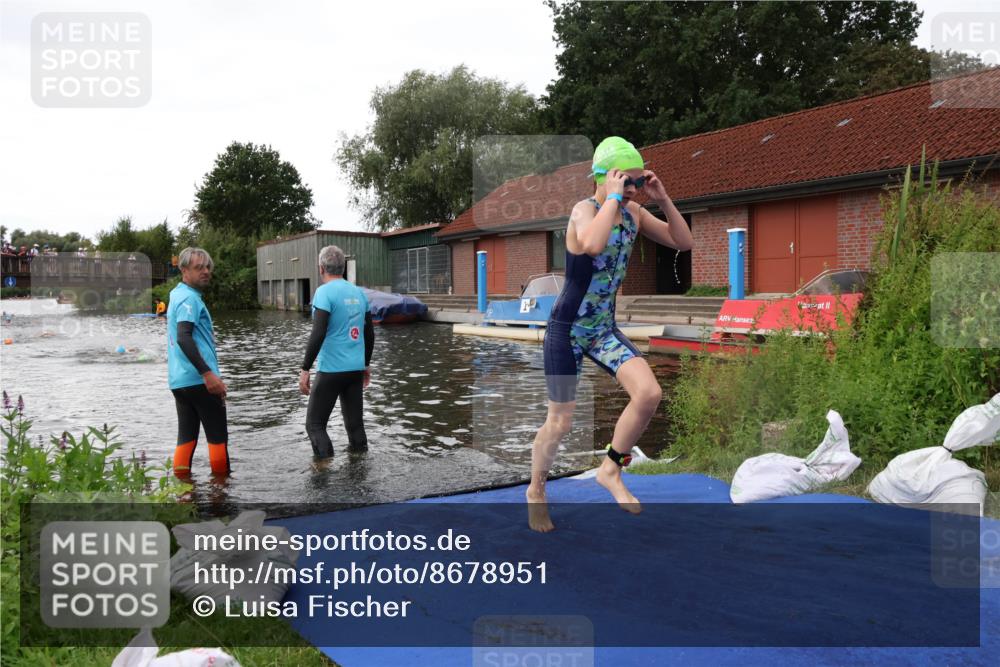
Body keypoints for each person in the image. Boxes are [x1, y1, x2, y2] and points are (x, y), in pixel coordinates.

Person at [527, 136, 694, 532]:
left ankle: (611, 469)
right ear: (605, 177)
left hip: (602, 330)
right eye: (627, 180)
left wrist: (663, 199)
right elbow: (591, 243)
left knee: (650, 393)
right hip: (567, 331)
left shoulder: (634, 211)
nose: (635, 188)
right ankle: (536, 490)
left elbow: (682, 242)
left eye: (639, 181)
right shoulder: (583, 211)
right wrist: (615, 198)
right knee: (560, 423)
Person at [298, 245, 374, 459]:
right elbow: (369, 334)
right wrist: (365, 365)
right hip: (354, 371)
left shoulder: (323, 293)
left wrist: (305, 369)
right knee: (355, 426)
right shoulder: (359, 293)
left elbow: (318, 332)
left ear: (321, 268)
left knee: (315, 425)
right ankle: (359, 473)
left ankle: (323, 470)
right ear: (343, 267)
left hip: (331, 370)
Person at [166, 247, 230, 477]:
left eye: (207, 267)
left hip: (179, 381)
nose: (205, 271)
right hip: (200, 380)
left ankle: (183, 494)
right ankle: (220, 499)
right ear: (184, 270)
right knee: (217, 440)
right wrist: (208, 374)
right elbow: (184, 336)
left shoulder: (176, 294)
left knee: (186, 439)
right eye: (198, 268)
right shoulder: (189, 299)